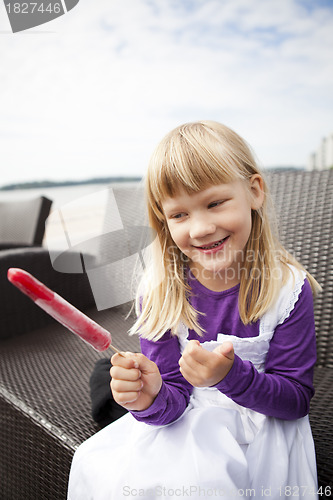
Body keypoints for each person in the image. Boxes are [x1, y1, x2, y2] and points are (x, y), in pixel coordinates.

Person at [68, 121, 320, 500]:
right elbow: (171, 404)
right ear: (164, 222)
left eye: (215, 203)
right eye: (180, 215)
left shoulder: (287, 290)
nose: (200, 228)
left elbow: (296, 401)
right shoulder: (159, 294)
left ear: (254, 192)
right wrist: (148, 398)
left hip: (264, 432)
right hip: (184, 425)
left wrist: (233, 377)